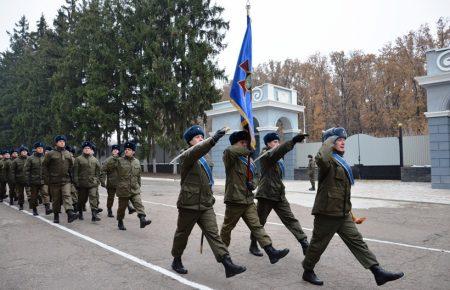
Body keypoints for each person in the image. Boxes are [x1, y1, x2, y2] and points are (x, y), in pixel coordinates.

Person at [302, 127, 404, 286]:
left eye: (343, 139)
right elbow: (321, 158)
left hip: (342, 214)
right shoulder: (327, 162)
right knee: (317, 245)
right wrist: (329, 139)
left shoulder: (341, 161)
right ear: (329, 143)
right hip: (326, 213)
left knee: (357, 241)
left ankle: (378, 272)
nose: (342, 142)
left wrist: (350, 213)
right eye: (338, 139)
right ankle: (307, 271)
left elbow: (341, 191)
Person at [171, 125, 246, 278]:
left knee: (214, 235)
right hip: (189, 204)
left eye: (201, 136)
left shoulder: (206, 157)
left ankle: (227, 264)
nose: (201, 139)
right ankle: (176, 259)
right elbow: (197, 151)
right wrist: (213, 139)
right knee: (182, 234)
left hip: (205, 204)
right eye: (197, 137)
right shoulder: (186, 155)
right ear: (190, 142)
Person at [220, 130, 289, 264]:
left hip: (248, 199)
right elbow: (230, 150)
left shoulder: (249, 160)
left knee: (257, 226)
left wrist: (254, 184)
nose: (245, 145)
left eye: (246, 142)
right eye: (242, 142)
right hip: (235, 199)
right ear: (235, 144)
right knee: (227, 228)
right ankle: (223, 255)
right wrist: (247, 149)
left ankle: (271, 251)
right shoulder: (230, 156)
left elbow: (257, 175)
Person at [249, 132, 310, 257]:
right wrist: (292, 141)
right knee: (260, 222)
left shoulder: (277, 157)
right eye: (274, 142)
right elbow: (277, 152)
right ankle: (253, 244)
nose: (277, 144)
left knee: (290, 219)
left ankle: (304, 242)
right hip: (266, 194)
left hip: (278, 194)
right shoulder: (266, 155)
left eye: (278, 141)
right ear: (268, 144)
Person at [112, 141, 151, 230]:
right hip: (123, 189)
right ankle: (120, 221)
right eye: (125, 149)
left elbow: (138, 175)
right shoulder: (119, 161)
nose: (126, 151)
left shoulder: (137, 162)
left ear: (133, 152)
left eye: (129, 149)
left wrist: (138, 186)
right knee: (121, 208)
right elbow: (110, 165)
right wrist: (114, 156)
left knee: (139, 204)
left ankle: (142, 220)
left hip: (134, 188)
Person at [42, 135, 78, 223]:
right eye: (60, 141)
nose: (62, 142)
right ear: (56, 143)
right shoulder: (50, 154)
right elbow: (44, 166)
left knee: (67, 195)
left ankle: (70, 214)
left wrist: (73, 178)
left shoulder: (68, 154)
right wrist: (47, 179)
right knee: (56, 199)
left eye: (63, 141)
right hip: (54, 181)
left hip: (66, 180)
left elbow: (72, 167)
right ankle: (56, 215)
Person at [73, 141, 102, 222]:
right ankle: (80, 212)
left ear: (91, 149)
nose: (87, 149)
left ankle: (94, 214)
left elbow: (98, 172)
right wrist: (76, 182)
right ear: (83, 149)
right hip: (82, 183)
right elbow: (75, 172)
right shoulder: (78, 159)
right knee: (82, 199)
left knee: (93, 197)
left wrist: (97, 180)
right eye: (85, 148)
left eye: (88, 148)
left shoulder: (95, 160)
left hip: (92, 183)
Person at [24, 142, 52, 215]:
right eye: (39, 148)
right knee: (34, 196)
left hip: (43, 180)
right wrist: (27, 180)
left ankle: (47, 208)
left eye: (42, 148)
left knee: (45, 193)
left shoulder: (46, 158)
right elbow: (26, 170)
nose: (40, 149)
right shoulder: (30, 158)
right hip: (34, 181)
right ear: (36, 149)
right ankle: (34, 209)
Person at [11, 145, 29, 210]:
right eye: (23, 151)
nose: (24, 152)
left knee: (30, 193)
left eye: (25, 151)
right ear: (20, 152)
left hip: (28, 179)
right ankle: (21, 205)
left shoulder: (29, 159)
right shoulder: (16, 161)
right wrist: (13, 179)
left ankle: (33, 206)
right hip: (19, 180)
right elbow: (12, 171)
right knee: (20, 194)